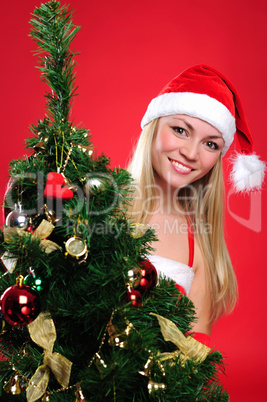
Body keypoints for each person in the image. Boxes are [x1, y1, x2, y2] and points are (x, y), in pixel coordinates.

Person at [127, 64, 265, 345]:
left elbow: (193, 360)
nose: (190, 153)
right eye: (180, 130)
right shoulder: (98, 206)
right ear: (154, 127)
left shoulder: (200, 248)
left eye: (210, 144)